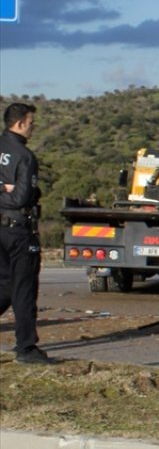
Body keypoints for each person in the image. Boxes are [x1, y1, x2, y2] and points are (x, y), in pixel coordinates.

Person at [0, 102, 53, 365]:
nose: (33, 127)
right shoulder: (25, 156)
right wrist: (14, 192)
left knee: (6, 285)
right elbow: (22, 197)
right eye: (32, 122)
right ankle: (26, 347)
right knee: (24, 289)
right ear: (20, 123)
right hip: (19, 230)